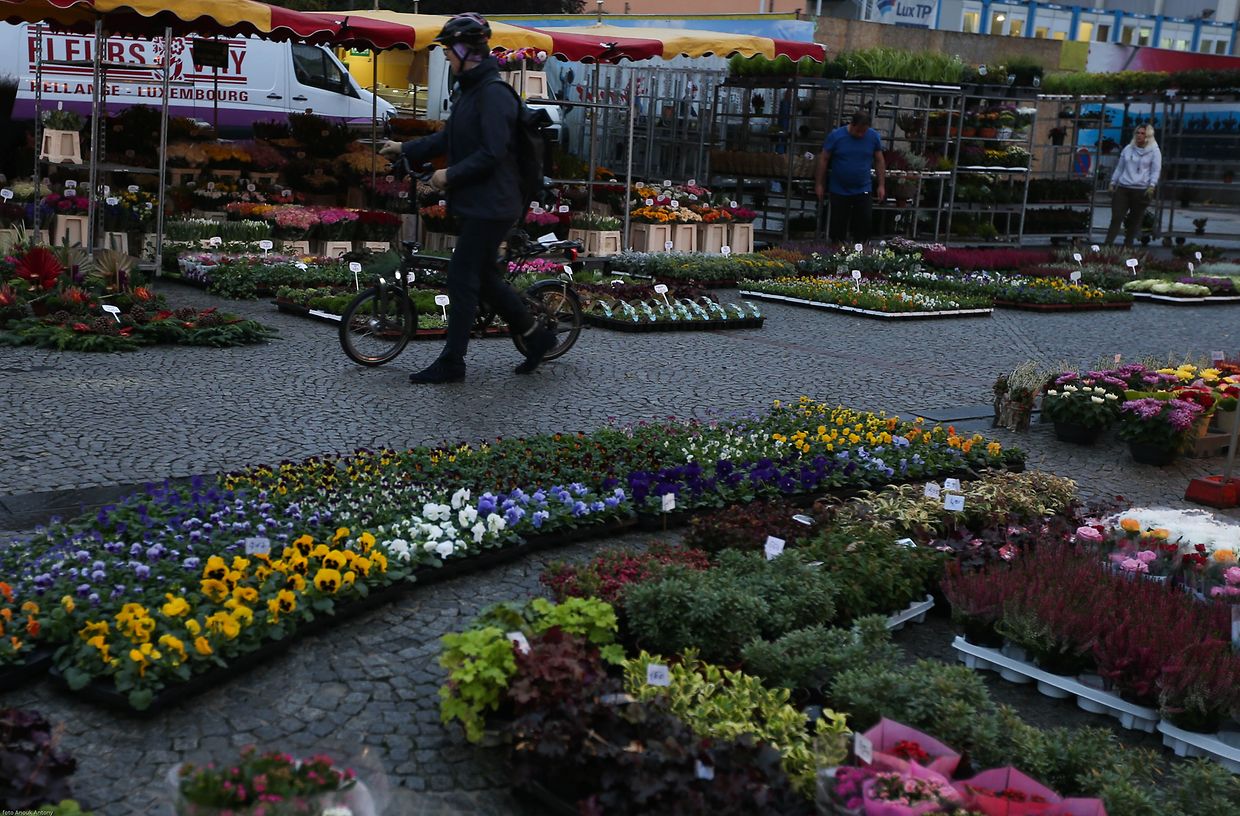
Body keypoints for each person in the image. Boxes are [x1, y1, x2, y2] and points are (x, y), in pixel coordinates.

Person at [380, 12, 555, 385]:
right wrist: (405, 148)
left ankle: (452, 363)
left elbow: (492, 152)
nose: (445, 56)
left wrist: (449, 175)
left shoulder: (494, 95)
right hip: (480, 202)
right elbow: (448, 139)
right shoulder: (470, 92)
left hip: (494, 205)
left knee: (461, 278)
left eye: (448, 49)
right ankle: (537, 337)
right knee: (486, 279)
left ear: (466, 50)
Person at [815, 111, 885, 245]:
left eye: (864, 132)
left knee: (864, 222)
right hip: (839, 189)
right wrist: (819, 184)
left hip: (863, 187)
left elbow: (879, 160)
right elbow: (823, 159)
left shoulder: (873, 137)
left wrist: (881, 184)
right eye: (858, 131)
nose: (860, 135)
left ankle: (861, 251)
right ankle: (837, 251)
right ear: (852, 125)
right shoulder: (836, 136)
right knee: (838, 224)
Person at [1105, 124, 1161, 247]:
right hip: (1124, 188)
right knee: (1117, 217)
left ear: (1148, 136)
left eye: (1142, 133)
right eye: (1137, 133)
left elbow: (1155, 170)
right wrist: (1112, 182)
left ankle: (1128, 245)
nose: (1139, 135)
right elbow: (1120, 168)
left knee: (1134, 220)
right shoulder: (1128, 149)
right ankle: (1108, 244)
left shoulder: (1154, 151)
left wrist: (1152, 185)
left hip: (1141, 190)